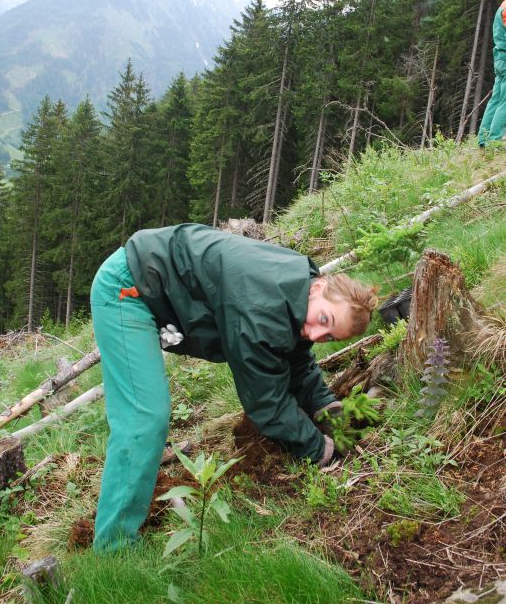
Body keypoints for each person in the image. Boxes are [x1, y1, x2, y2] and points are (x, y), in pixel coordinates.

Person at [90, 223, 377, 552]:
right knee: (144, 418)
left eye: (327, 337)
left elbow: (296, 360)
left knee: (146, 418)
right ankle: (113, 549)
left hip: (155, 282)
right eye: (324, 320)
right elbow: (267, 403)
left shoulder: (296, 286)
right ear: (320, 287)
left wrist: (328, 410)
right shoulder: (260, 309)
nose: (315, 334)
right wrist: (320, 451)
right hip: (129, 287)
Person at [478, 0, 506, 147]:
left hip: (500, 59)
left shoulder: (502, 7)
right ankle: (495, 140)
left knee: (496, 99)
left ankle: (483, 139)